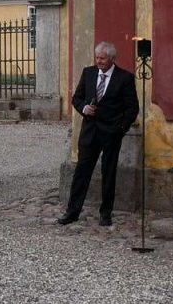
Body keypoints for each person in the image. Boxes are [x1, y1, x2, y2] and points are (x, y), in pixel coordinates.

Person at [58, 41, 139, 227]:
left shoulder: (125, 78)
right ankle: (72, 212)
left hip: (112, 133)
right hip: (90, 133)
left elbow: (132, 108)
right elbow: (76, 98)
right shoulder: (89, 73)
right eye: (97, 58)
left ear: (112, 58)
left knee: (108, 174)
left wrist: (121, 129)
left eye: (102, 58)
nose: (99, 61)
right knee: (81, 173)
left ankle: (105, 213)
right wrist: (84, 108)